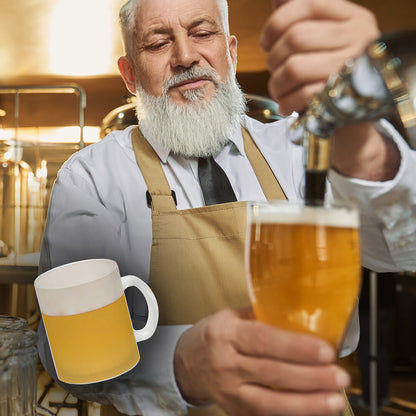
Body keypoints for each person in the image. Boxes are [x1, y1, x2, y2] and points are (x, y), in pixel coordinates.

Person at [37, 0, 416, 415]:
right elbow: (67, 351)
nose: (185, 56)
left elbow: (402, 251)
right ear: (129, 74)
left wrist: (359, 139)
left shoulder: (302, 148)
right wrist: (178, 366)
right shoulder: (91, 178)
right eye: (159, 43)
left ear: (231, 52)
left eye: (202, 33)